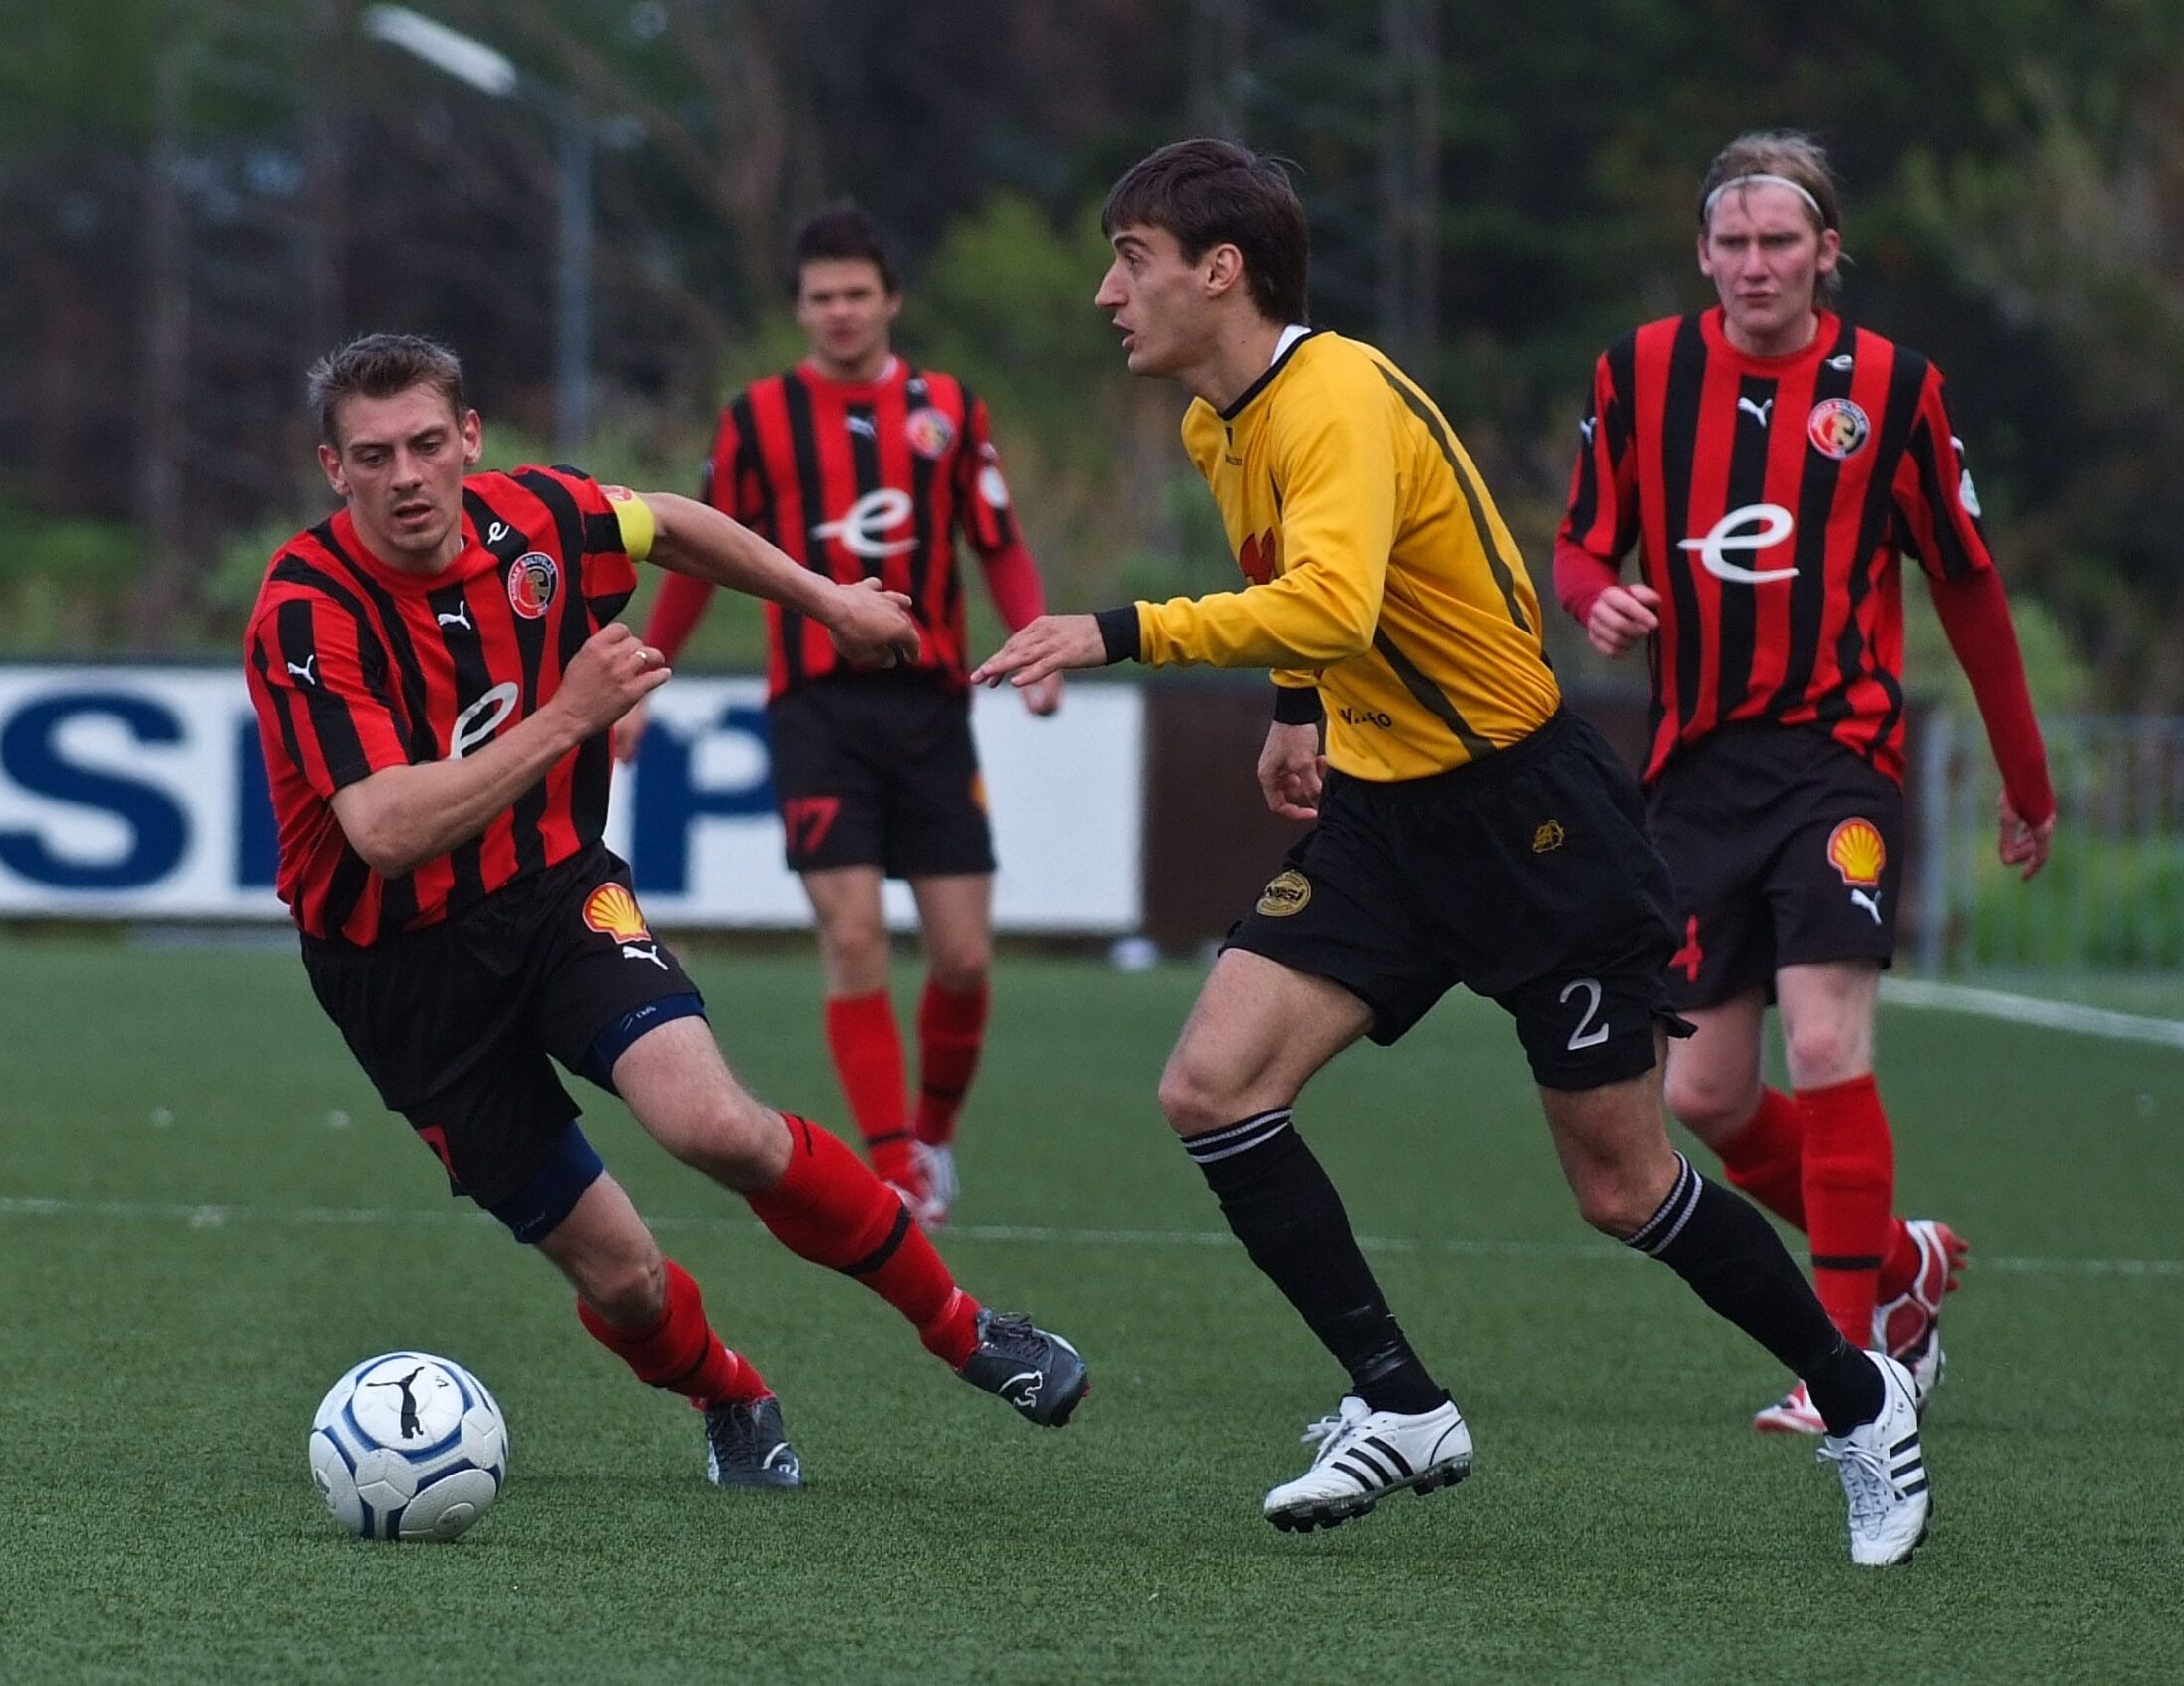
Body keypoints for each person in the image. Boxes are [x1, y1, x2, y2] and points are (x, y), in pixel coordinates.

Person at [976, 139, 1927, 1565]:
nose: (1110, 292)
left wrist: (1115, 631)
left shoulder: (1336, 395)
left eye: (1132, 258)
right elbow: (1290, 595)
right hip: (1381, 818)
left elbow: (1337, 602)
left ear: (1219, 271)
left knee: (1620, 1186)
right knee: (1209, 1085)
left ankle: (1864, 1401)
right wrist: (1296, 716)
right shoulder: (1213, 424)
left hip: (1530, 821)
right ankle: (1401, 1400)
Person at [246, 333, 1087, 1492]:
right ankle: (729, 1394)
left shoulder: (535, 517)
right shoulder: (305, 608)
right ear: (333, 470)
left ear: (471, 440)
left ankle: (962, 1326)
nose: (407, 477)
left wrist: (826, 598)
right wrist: (567, 715)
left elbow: (667, 522)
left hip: (553, 892)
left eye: (428, 445)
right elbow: (384, 829)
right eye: (375, 455)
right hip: (399, 971)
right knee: (621, 1276)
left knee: (716, 1126)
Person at [1553, 131, 2056, 1434]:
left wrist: (2027, 776)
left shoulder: (1891, 389)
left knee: (1826, 1040)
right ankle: (1903, 1269)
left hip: (1838, 758)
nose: (1757, 264)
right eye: (1734, 242)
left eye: (1783, 241)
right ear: (1704, 253)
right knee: (1705, 1096)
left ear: (1828, 252)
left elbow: (1968, 584)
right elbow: (1578, 543)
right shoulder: (1641, 371)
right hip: (1696, 772)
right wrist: (1597, 597)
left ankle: (1853, 1371)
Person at [612, 203, 1059, 1228]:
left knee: (962, 956)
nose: (842, 312)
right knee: (853, 935)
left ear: (891, 300)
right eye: (823, 298)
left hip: (931, 705)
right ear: (800, 308)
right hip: (816, 710)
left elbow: (996, 540)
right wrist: (645, 671)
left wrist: (1036, 637)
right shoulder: (758, 418)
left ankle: (933, 1136)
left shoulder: (949, 409)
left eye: (859, 293)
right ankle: (893, 1161)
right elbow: (694, 557)